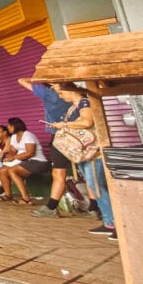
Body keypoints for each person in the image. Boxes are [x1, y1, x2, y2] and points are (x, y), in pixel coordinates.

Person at [50, 83, 117, 240]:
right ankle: (108, 222)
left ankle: (115, 223)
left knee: (97, 187)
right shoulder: (73, 106)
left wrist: (64, 125)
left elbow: (87, 122)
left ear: (70, 89)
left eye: (61, 93)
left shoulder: (84, 102)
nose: (60, 96)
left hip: (93, 153)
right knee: (94, 186)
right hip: (83, 154)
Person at [18, 78, 72, 216]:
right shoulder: (76, 94)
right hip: (80, 136)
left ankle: (51, 207)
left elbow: (21, 80)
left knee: (59, 173)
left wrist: (42, 78)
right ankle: (93, 208)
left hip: (60, 137)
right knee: (88, 172)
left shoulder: (49, 93)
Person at [0, 116, 50, 203]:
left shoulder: (28, 135)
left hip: (37, 162)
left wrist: (13, 157)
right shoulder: (14, 137)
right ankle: (8, 195)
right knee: (2, 170)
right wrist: (7, 153)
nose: (8, 127)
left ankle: (26, 198)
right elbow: (13, 151)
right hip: (24, 161)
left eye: (9, 126)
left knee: (12, 171)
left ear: (15, 126)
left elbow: (30, 153)